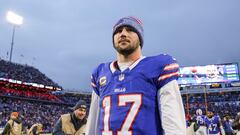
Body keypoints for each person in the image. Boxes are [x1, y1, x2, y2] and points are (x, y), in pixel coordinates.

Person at [85, 16, 186, 135]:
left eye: (129, 29)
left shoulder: (158, 67)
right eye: (118, 31)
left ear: (140, 37)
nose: (123, 34)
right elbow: (93, 125)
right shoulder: (100, 73)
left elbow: (173, 125)